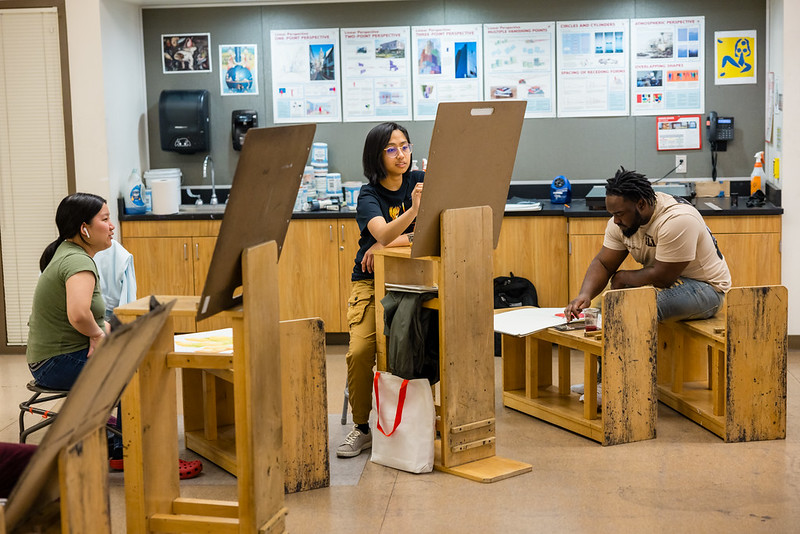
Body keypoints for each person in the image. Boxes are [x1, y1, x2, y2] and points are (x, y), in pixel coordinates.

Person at [564, 168, 732, 398]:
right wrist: (585, 295)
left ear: (641, 204)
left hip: (706, 289)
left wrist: (624, 278)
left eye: (620, 214)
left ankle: (620, 386)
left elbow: (664, 276)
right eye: (612, 213)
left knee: (630, 309)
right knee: (608, 305)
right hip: (668, 283)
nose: (615, 220)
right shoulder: (621, 221)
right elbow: (604, 263)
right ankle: (603, 381)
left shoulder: (677, 219)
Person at [337, 122, 424, 458]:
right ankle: (361, 428)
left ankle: (417, 418)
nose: (401, 154)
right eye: (391, 149)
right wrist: (413, 214)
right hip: (370, 283)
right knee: (360, 351)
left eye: (405, 146)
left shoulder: (419, 180)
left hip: (413, 278)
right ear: (377, 156)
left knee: (420, 342)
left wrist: (388, 243)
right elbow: (382, 233)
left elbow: (431, 229)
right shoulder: (369, 194)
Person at [27, 193, 114, 390]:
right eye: (105, 219)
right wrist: (98, 336)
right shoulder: (77, 261)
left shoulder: (68, 251)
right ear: (84, 229)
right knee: (137, 369)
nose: (112, 226)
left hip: (50, 360)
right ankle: (118, 422)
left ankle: (102, 418)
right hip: (56, 363)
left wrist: (102, 330)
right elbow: (79, 315)